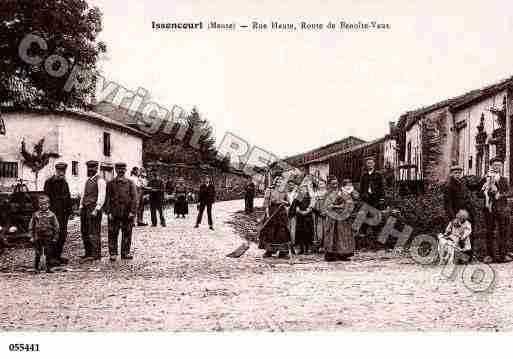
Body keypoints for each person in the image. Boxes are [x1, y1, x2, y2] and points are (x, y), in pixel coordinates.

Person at [480, 157, 512, 264]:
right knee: (489, 231)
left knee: (503, 231)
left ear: (502, 167)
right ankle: (490, 255)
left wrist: (500, 194)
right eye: (495, 165)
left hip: (502, 209)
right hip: (489, 209)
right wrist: (487, 191)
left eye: (499, 165)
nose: (497, 167)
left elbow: (508, 192)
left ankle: (503, 255)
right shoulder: (486, 178)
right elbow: (479, 193)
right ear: (491, 166)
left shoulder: (504, 179)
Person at [104, 162, 138, 261]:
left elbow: (135, 198)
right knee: (112, 233)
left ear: (125, 170)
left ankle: (125, 252)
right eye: (119, 169)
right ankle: (113, 253)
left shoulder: (130, 183)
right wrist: (108, 212)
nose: (121, 171)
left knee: (127, 233)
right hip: (114, 213)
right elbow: (107, 199)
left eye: (123, 169)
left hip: (127, 213)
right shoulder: (110, 183)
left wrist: (132, 211)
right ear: (115, 170)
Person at [443, 164, 476, 259]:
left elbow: (473, 187)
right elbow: (447, 204)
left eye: (459, 173)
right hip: (458, 215)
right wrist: (453, 218)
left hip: (468, 213)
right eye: (455, 173)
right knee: (458, 236)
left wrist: (484, 180)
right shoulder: (449, 185)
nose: (458, 174)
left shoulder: (463, 182)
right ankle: (459, 257)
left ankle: (468, 255)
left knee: (468, 234)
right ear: (451, 174)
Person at [43, 162, 73, 266]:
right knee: (52, 235)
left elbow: (68, 198)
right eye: (60, 171)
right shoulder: (49, 182)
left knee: (62, 235)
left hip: (63, 215)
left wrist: (70, 211)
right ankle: (50, 258)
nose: (61, 173)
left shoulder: (65, 183)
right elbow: (45, 199)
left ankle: (57, 256)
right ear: (56, 171)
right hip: (53, 214)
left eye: (63, 171)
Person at [323, 178, 359, 262]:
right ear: (329, 185)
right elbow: (326, 206)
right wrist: (336, 207)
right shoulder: (327, 194)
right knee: (331, 236)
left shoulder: (342, 192)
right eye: (333, 184)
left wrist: (340, 207)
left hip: (342, 218)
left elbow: (349, 203)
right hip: (332, 219)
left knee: (342, 236)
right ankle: (331, 254)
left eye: (336, 184)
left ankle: (343, 254)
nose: (335, 185)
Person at [258, 176, 292, 259]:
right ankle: (269, 251)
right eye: (278, 182)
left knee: (282, 231)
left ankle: (283, 252)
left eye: (281, 182)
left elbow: (289, 203)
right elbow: (266, 203)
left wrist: (284, 202)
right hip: (272, 211)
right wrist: (267, 213)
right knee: (270, 231)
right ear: (275, 182)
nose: (279, 183)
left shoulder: (284, 190)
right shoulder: (269, 190)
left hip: (281, 212)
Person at [79, 160, 106, 261]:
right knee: (85, 231)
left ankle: (96, 254)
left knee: (94, 231)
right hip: (85, 208)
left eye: (92, 168)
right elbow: (83, 194)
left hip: (94, 209)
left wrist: (97, 208)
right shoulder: (87, 180)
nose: (90, 169)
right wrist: (81, 206)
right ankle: (88, 252)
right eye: (89, 168)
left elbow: (101, 196)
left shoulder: (100, 180)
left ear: (96, 168)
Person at [29, 195, 59, 273]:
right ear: (38, 205)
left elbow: (56, 226)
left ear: (48, 204)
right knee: (38, 252)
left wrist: (55, 237)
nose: (43, 206)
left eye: (45, 204)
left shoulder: (52, 215)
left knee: (49, 252)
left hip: (48, 236)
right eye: (41, 204)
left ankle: (48, 267)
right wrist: (31, 236)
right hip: (38, 236)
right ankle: (36, 267)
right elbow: (31, 226)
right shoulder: (35, 215)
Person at [293, 184, 314, 254]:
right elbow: (296, 207)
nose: (303, 191)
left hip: (308, 217)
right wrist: (300, 212)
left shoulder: (310, 197)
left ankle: (307, 249)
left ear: (307, 190)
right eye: (301, 189)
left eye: (304, 189)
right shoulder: (298, 197)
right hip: (300, 217)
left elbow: (311, 207)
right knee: (300, 232)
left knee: (307, 232)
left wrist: (306, 212)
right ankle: (301, 249)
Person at [312, 180, 328, 253]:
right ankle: (319, 246)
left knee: (327, 229)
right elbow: (312, 205)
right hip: (318, 214)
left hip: (327, 214)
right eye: (319, 184)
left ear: (325, 184)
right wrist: (318, 212)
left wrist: (326, 211)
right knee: (319, 231)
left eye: (322, 184)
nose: (321, 185)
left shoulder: (328, 193)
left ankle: (326, 246)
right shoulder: (315, 194)